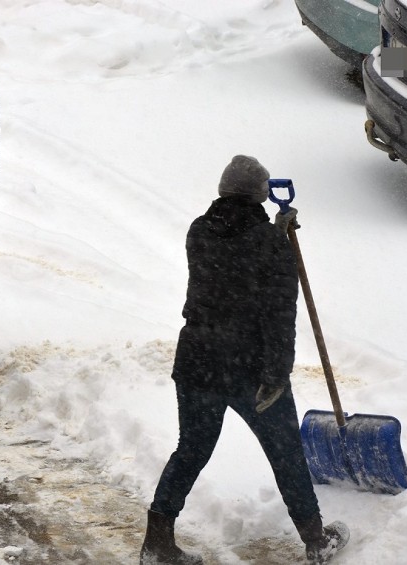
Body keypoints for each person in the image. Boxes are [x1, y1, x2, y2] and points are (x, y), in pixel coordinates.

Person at [140, 156, 349, 565]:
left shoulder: (199, 231)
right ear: (260, 195)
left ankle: (157, 541)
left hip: (198, 360)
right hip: (249, 367)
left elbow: (232, 261)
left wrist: (274, 234)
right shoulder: (271, 244)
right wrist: (276, 374)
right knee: (286, 452)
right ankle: (315, 539)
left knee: (191, 449)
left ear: (222, 189)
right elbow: (278, 313)